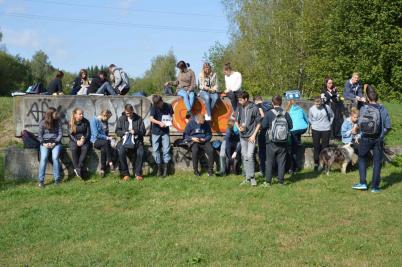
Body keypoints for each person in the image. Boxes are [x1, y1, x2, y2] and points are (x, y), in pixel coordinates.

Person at [352, 90, 391, 193]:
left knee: (362, 158)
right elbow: (388, 126)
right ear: (377, 98)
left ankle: (363, 183)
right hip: (378, 140)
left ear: (368, 99)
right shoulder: (383, 109)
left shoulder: (364, 108)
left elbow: (360, 124)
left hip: (365, 138)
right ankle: (374, 187)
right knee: (377, 162)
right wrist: (382, 134)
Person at [262, 95, 293, 186]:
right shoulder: (285, 113)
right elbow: (291, 126)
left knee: (269, 161)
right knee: (281, 161)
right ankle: (281, 181)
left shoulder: (269, 113)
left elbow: (263, 126)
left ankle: (268, 181)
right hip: (283, 141)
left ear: (272, 103)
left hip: (271, 141)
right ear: (281, 102)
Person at [236, 91, 261, 186]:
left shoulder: (254, 108)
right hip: (242, 136)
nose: (239, 101)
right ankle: (247, 178)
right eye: (238, 100)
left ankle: (252, 177)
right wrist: (239, 128)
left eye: (240, 100)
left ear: (246, 99)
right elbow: (235, 120)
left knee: (250, 155)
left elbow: (259, 123)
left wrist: (254, 135)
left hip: (251, 136)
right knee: (244, 156)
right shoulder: (239, 108)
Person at [116, 104, 146, 181]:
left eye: (130, 113)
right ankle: (126, 174)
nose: (128, 115)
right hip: (125, 141)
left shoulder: (139, 119)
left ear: (133, 111)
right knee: (121, 151)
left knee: (141, 152)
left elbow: (143, 131)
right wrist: (124, 132)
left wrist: (135, 131)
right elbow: (117, 131)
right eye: (127, 113)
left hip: (137, 141)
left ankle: (138, 173)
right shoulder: (121, 119)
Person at [37, 107, 62, 188]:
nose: (57, 115)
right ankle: (41, 181)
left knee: (55, 158)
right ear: (50, 114)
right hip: (45, 143)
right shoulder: (43, 122)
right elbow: (39, 135)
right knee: (43, 158)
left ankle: (57, 179)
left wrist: (54, 143)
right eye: (55, 113)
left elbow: (60, 134)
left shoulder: (58, 121)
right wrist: (44, 143)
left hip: (56, 143)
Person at [149, 95, 174, 177]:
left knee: (166, 149)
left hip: (165, 131)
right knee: (155, 150)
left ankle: (166, 170)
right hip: (155, 131)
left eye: (158, 104)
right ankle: (159, 169)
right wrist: (159, 123)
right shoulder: (153, 107)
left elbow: (172, 116)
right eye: (156, 104)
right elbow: (151, 118)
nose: (158, 106)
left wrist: (170, 122)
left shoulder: (168, 106)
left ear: (161, 101)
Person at [309, 97, 334, 171]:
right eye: (316, 104)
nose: (318, 105)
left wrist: (330, 123)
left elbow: (332, 115)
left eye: (319, 104)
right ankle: (316, 163)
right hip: (316, 129)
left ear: (321, 102)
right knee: (316, 147)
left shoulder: (326, 107)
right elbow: (310, 118)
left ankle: (325, 164)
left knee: (325, 148)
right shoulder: (311, 109)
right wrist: (313, 124)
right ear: (314, 103)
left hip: (326, 129)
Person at [90, 110, 114, 177]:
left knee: (104, 149)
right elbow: (96, 134)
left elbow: (106, 133)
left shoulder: (105, 121)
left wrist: (108, 137)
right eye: (108, 117)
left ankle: (102, 169)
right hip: (95, 141)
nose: (108, 119)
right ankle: (110, 162)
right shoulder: (94, 121)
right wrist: (107, 138)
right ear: (104, 115)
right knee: (106, 142)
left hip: (104, 142)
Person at [287, 99, 308, 173]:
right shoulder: (300, 109)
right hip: (303, 128)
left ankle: (294, 167)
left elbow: (287, 123)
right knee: (297, 138)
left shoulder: (288, 111)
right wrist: (306, 125)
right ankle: (298, 142)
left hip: (294, 130)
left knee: (293, 150)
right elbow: (306, 119)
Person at [69, 108, 91, 178]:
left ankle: (78, 167)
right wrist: (76, 141)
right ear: (75, 115)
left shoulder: (86, 121)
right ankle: (77, 168)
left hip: (84, 139)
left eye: (82, 114)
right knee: (74, 148)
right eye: (80, 114)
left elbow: (88, 133)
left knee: (85, 148)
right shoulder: (71, 122)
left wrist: (83, 139)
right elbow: (70, 135)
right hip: (74, 140)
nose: (82, 115)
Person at [254, 96, 268, 176]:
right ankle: (270, 169)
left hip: (262, 130)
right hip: (270, 132)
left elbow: (262, 116)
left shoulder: (258, 106)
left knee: (262, 152)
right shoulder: (269, 106)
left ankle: (263, 171)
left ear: (256, 101)